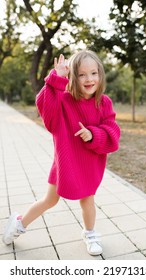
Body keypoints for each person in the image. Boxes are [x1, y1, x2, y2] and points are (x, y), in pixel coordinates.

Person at [2, 50, 120, 256]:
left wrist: (93, 134)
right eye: (82, 74)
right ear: (73, 76)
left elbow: (113, 130)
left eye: (93, 73)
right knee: (50, 200)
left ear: (100, 75)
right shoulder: (64, 99)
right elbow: (47, 111)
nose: (89, 79)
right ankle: (19, 223)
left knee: (88, 200)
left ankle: (90, 233)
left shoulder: (104, 102)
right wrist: (56, 78)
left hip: (90, 163)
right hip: (65, 161)